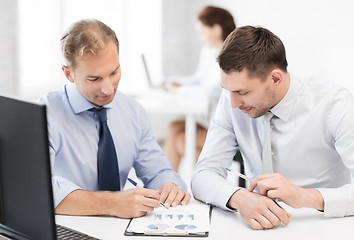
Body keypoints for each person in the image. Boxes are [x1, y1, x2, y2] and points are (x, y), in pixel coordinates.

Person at [191, 25, 354, 230]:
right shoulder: (231, 100)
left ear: (275, 78)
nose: (233, 103)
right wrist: (238, 197)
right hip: (258, 229)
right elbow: (202, 175)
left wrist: (304, 196)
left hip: (325, 226)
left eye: (243, 92)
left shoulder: (335, 104)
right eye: (228, 90)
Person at [39, 19, 191, 219]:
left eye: (114, 72)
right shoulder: (44, 113)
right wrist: (112, 203)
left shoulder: (133, 111)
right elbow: (37, 186)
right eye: (94, 79)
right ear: (69, 74)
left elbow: (158, 171)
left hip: (118, 229)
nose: (108, 89)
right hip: (68, 226)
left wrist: (169, 186)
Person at [163, 6, 236, 171]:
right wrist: (177, 83)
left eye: (202, 32)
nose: (200, 38)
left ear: (216, 30)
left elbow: (210, 91)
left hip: (229, 130)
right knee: (174, 127)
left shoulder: (230, 58)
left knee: (182, 140)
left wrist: (179, 91)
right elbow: (199, 80)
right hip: (211, 122)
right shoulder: (210, 51)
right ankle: (166, 188)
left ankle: (189, 188)